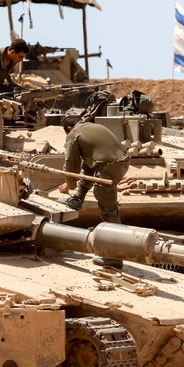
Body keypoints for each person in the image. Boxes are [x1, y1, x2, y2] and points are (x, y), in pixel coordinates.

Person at [57, 114, 130, 269]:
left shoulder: (74, 133)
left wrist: (69, 184)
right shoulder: (94, 126)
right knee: (88, 167)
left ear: (69, 128)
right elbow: (88, 162)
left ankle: (114, 257)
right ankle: (77, 200)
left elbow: (71, 163)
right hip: (122, 163)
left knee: (109, 211)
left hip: (108, 168)